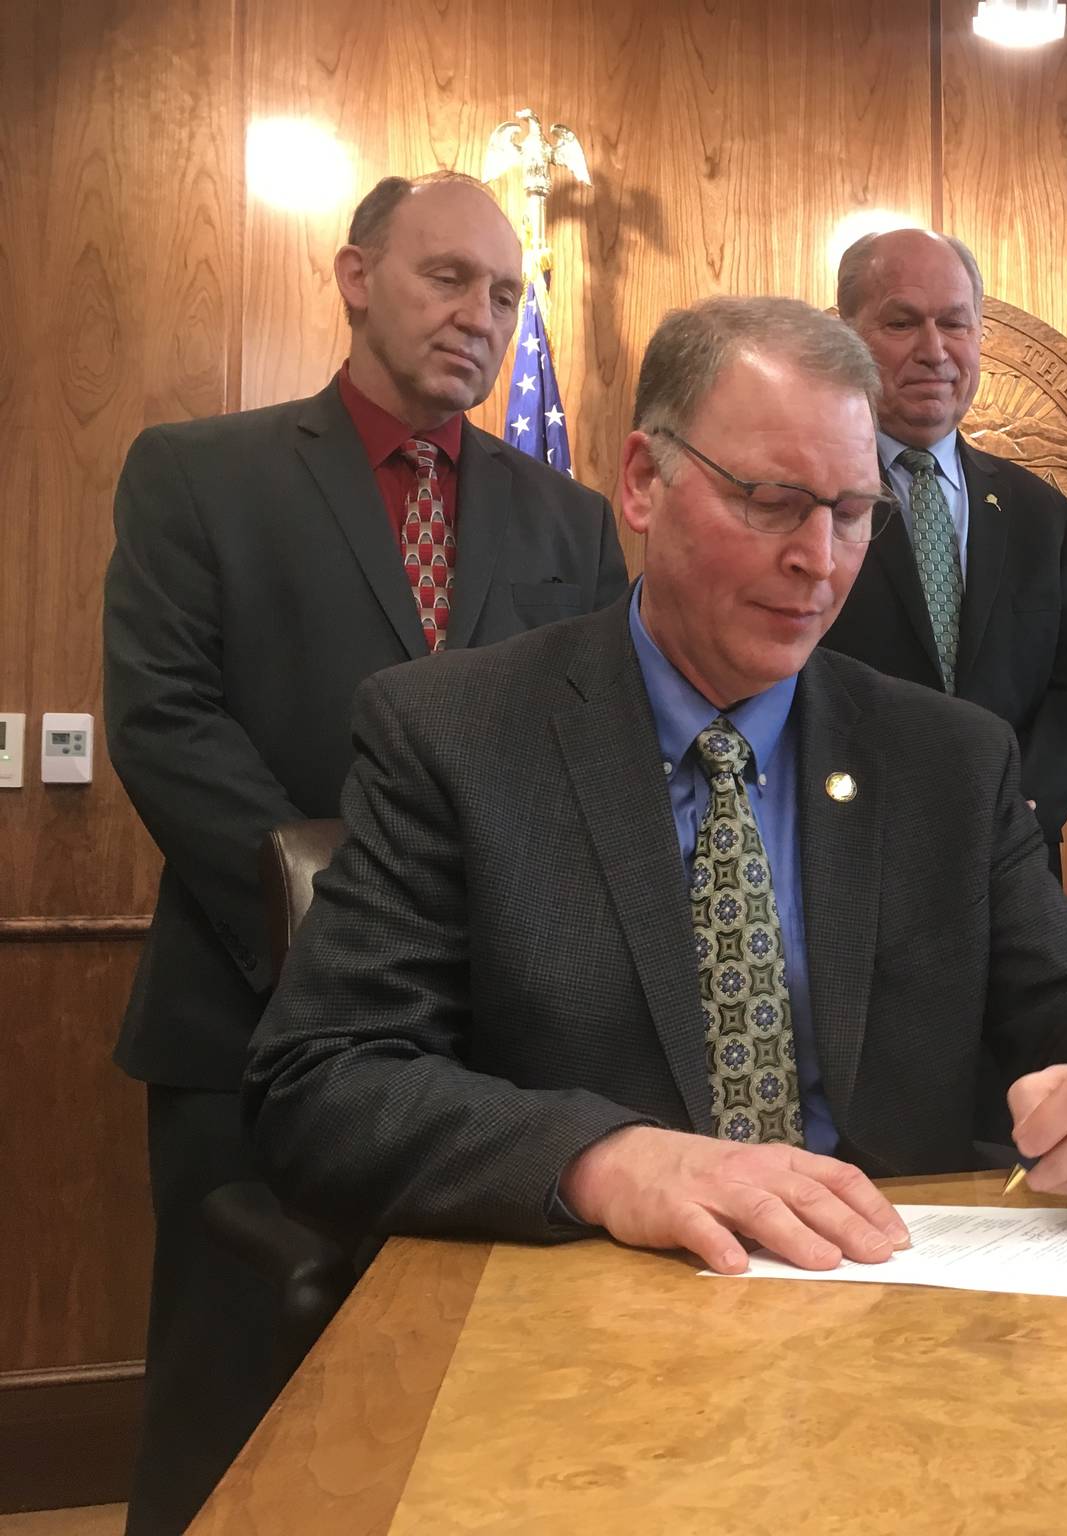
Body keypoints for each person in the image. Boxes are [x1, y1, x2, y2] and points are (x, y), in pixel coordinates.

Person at [244, 297, 1067, 1276]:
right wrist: (604, 1160)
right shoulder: (455, 735)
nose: (817, 562)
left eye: (854, 513)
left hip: (898, 1317)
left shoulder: (947, 759)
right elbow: (327, 1082)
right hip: (582, 1323)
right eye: (771, 500)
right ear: (643, 482)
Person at [103, 169, 628, 1534]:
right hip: (245, 1015)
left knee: (468, 1417)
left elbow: (593, 753)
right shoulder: (198, 474)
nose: (480, 314)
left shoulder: (568, 522)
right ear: (354, 277)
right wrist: (344, 938)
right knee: (233, 1412)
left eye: (506, 294)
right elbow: (164, 722)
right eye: (447, 276)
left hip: (497, 1052)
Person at [821, 229, 1067, 875]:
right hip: (848, 854)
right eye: (902, 322)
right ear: (847, 336)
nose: (934, 351)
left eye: (955, 323)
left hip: (1014, 862)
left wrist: (1019, 808)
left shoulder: (1040, 513)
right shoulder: (811, 500)